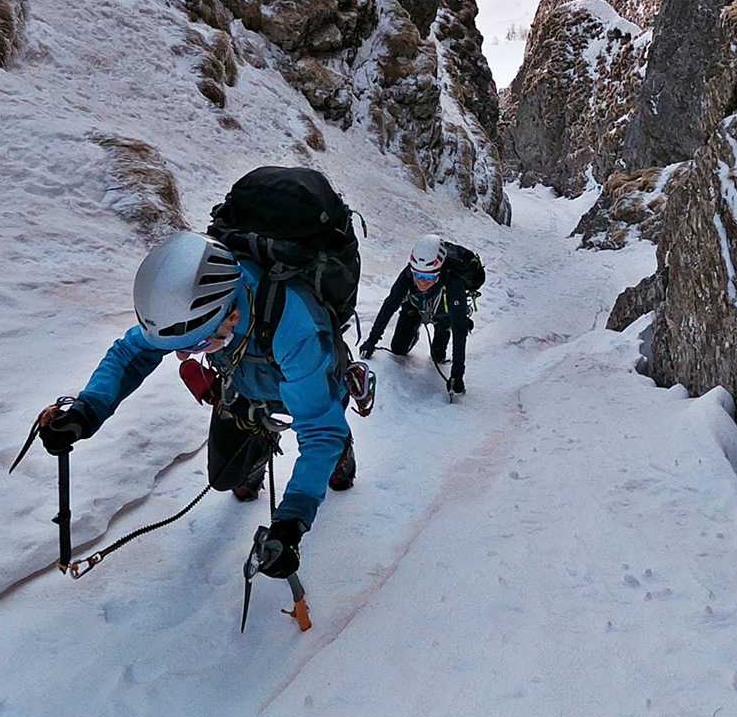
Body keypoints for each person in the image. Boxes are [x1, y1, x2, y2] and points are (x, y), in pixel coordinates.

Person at [36, 230, 350, 579]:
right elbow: (132, 351)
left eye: (196, 344)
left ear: (231, 316)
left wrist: (292, 520)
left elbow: (319, 430)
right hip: (245, 388)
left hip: (311, 387)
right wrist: (87, 410)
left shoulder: (296, 329)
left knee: (329, 440)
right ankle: (257, 451)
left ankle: (342, 457)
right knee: (225, 477)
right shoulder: (193, 306)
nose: (183, 355)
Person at [360, 233, 482, 395]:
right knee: (398, 349)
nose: (422, 281)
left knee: (438, 355)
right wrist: (371, 341)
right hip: (415, 308)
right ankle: (417, 327)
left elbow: (460, 331)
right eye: (418, 275)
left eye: (428, 276)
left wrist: (457, 375)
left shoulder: (454, 284)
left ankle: (442, 330)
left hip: (445, 315)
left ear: (439, 271)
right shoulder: (407, 275)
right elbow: (389, 306)